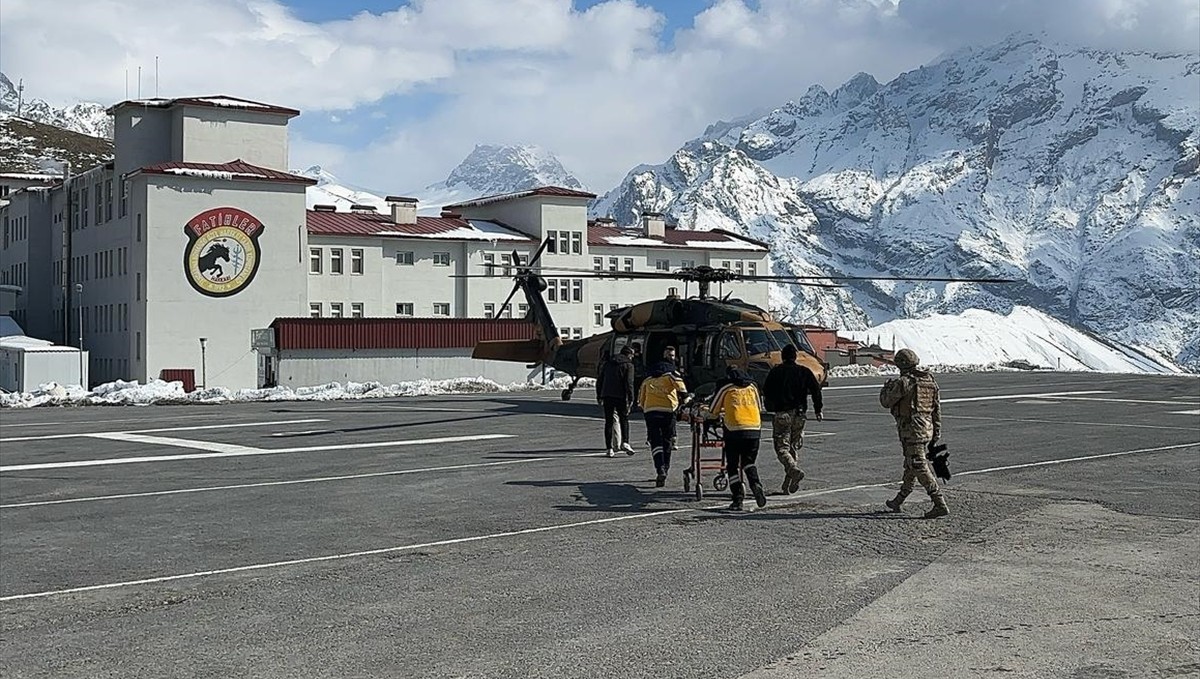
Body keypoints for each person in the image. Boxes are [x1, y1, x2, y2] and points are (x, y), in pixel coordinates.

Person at [878, 348, 949, 519]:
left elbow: (886, 402)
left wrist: (886, 389)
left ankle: (939, 502)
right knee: (911, 464)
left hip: (911, 430)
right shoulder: (929, 381)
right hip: (926, 429)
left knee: (918, 465)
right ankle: (899, 500)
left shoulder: (904, 382)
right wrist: (936, 431)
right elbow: (936, 409)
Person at [763, 344, 823, 495]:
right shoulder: (804, 371)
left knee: (782, 448)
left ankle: (792, 470)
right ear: (795, 357)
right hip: (800, 414)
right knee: (793, 447)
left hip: (783, 413)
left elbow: (766, 391)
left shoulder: (776, 372)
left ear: (782, 357)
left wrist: (770, 407)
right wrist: (818, 409)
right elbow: (816, 389)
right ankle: (788, 483)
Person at [707, 367, 767, 511]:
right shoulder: (752, 387)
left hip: (734, 430)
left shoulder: (726, 387)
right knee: (748, 462)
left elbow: (713, 410)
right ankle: (755, 485)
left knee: (732, 465)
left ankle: (737, 499)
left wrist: (712, 417)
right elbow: (759, 407)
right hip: (754, 428)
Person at [638, 357, 690, 487]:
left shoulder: (647, 380)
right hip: (668, 412)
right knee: (667, 440)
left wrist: (648, 409)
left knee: (655, 441)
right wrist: (686, 399)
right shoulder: (670, 376)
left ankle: (659, 468)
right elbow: (681, 387)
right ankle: (666, 467)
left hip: (651, 412)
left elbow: (641, 401)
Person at [597, 345, 636, 457]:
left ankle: (609, 448)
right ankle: (625, 442)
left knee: (609, 422)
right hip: (621, 395)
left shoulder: (608, 363)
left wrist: (599, 395)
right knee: (624, 419)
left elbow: (600, 379)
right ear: (629, 354)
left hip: (607, 394)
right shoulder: (628, 365)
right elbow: (629, 383)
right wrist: (631, 398)